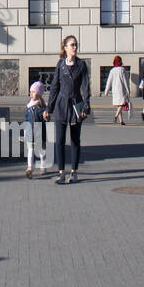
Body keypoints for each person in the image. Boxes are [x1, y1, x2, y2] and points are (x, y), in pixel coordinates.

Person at [47, 35, 90, 184]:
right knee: (59, 140)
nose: (75, 47)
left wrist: (86, 105)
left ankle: (74, 172)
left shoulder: (81, 65)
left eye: (76, 45)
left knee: (75, 140)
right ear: (65, 47)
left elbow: (85, 86)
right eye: (72, 45)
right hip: (61, 104)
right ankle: (61, 172)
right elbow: (54, 87)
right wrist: (49, 108)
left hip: (76, 104)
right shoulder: (61, 64)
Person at [24, 80, 47, 178]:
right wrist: (25, 130)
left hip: (39, 133)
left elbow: (45, 117)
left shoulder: (41, 107)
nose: (31, 94)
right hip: (30, 133)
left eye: (33, 92)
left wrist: (46, 116)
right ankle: (30, 168)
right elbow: (26, 118)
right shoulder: (29, 106)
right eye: (31, 92)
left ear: (39, 94)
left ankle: (43, 166)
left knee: (41, 151)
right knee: (30, 151)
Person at [105, 55, 129, 124]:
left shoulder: (112, 70)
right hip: (121, 89)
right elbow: (125, 80)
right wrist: (128, 90)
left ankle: (121, 120)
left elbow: (109, 81)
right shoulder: (122, 70)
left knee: (119, 105)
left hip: (115, 90)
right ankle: (116, 116)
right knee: (122, 104)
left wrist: (106, 91)